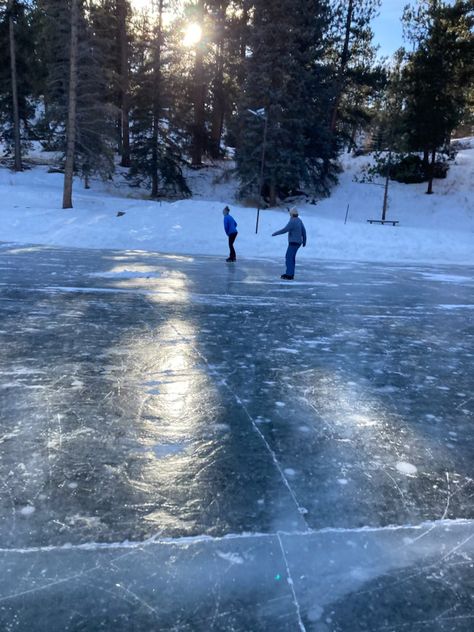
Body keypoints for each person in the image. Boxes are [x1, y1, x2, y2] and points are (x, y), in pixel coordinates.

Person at [272, 207, 307, 279]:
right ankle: (291, 273)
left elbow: (285, 229)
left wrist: (276, 233)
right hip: (298, 243)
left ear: (291, 214)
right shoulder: (299, 220)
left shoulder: (292, 221)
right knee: (292, 258)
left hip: (293, 242)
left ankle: (289, 274)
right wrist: (304, 241)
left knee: (288, 257)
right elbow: (304, 231)